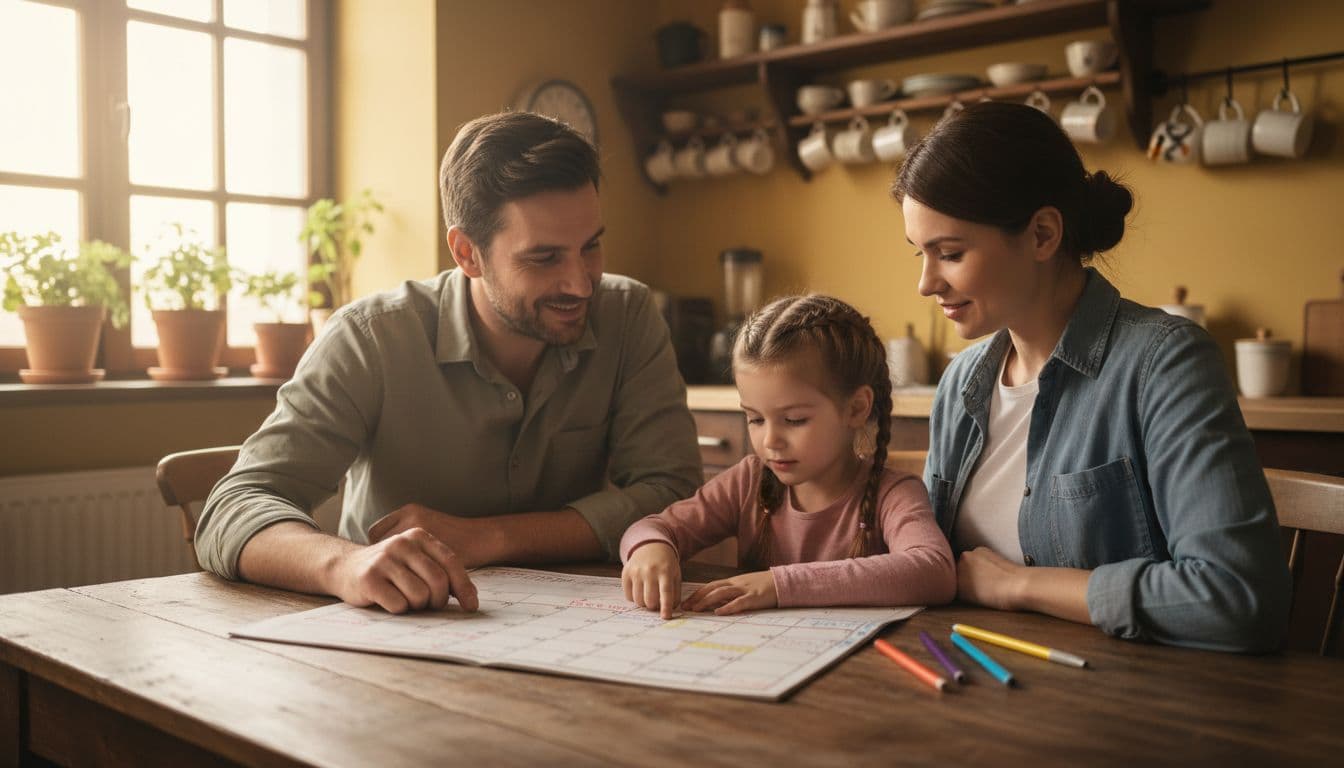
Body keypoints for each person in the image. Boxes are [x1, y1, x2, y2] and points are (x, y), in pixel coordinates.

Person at [195, 111, 702, 614]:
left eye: (590, 247)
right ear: (467, 253)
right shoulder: (370, 338)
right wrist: (346, 565)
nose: (581, 282)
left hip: (574, 624)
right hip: (392, 631)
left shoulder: (629, 315)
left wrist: (492, 537)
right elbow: (233, 507)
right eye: (544, 258)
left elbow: (676, 497)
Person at [892, 101, 1291, 652]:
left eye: (950, 253)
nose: (926, 283)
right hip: (975, 688)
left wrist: (1022, 586)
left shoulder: (1165, 365)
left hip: (1132, 710)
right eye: (919, 253)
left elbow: (1237, 597)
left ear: (1042, 234)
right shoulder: (960, 385)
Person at [621, 294, 956, 618]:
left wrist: (779, 585)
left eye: (794, 420)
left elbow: (933, 570)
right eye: (754, 418)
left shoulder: (894, 494)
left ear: (856, 409)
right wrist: (651, 547)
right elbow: (652, 527)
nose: (770, 440)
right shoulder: (747, 482)